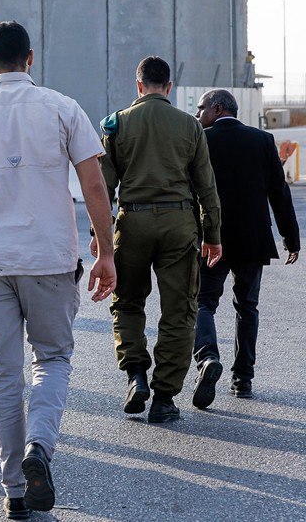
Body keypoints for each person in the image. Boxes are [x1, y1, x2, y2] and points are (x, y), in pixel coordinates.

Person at [0, 22, 116, 520]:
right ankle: (39, 448)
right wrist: (107, 252)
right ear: (31, 58)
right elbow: (94, 185)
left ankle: (13, 491)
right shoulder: (62, 107)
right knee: (52, 359)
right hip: (48, 256)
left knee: (2, 373)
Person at [99, 56, 222, 423]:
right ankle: (164, 398)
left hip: (131, 222)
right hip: (178, 223)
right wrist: (212, 234)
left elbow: (101, 186)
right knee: (179, 310)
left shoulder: (117, 124)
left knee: (127, 303)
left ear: (138, 86)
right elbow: (207, 187)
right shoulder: (190, 125)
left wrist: (101, 236)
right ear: (168, 88)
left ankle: (136, 375)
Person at [190, 89, 300, 407]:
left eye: (201, 109)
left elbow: (189, 190)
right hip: (253, 239)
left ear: (218, 109)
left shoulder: (202, 140)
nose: (198, 116)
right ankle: (243, 380)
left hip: (213, 239)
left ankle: (208, 357)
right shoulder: (262, 140)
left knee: (203, 303)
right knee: (247, 307)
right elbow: (279, 193)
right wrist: (291, 238)